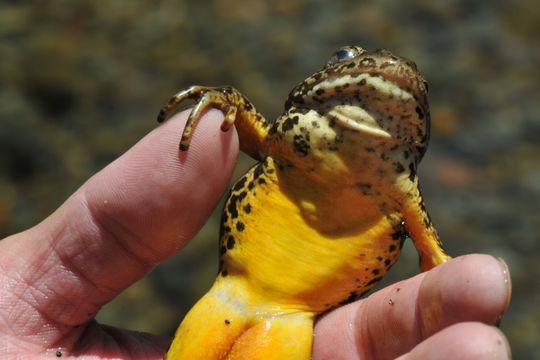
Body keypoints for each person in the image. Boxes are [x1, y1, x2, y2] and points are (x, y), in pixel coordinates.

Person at [0, 110, 511, 359]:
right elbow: (242, 122)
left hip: (292, 318)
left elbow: (434, 258)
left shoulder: (402, 188)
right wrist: (221, 102)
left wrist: (449, 287)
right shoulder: (294, 139)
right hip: (234, 290)